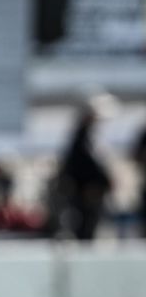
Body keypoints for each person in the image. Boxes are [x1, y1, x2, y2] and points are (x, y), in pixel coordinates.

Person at [55, 99, 113, 241]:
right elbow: (84, 164)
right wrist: (100, 180)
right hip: (87, 191)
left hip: (89, 190)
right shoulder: (82, 138)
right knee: (86, 228)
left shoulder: (87, 136)